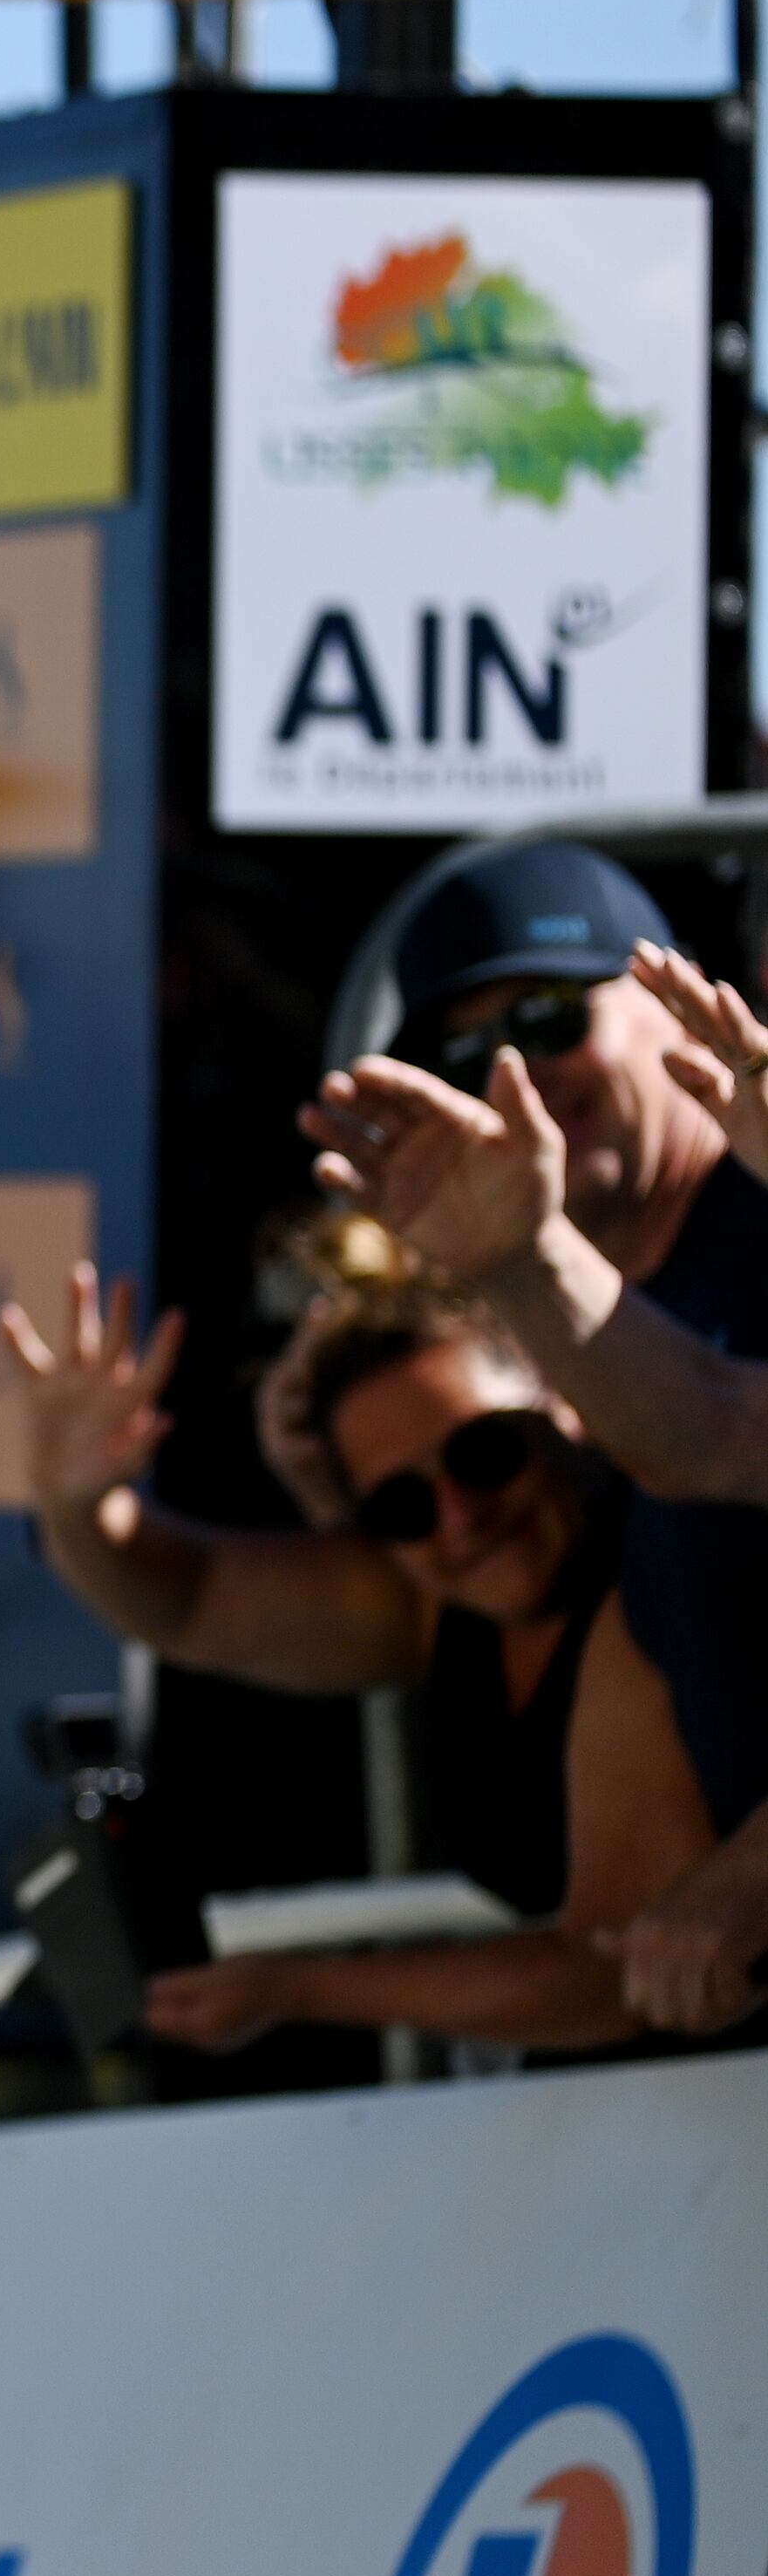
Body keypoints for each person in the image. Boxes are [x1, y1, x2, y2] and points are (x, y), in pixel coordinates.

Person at [0, 1257, 712, 2052]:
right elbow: (187, 1602)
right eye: (401, 1505)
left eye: (485, 1452)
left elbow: (605, 1975)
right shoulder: (433, 1602)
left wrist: (292, 1987)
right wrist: (76, 1507)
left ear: (562, 1407)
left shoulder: (649, 1591)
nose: (460, 1516)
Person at [296, 846, 768, 2031]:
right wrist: (520, 1261)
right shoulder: (609, 1298)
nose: (521, 1078)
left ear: (678, 1000)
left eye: (553, 1018)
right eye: (469, 1052)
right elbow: (705, 1430)